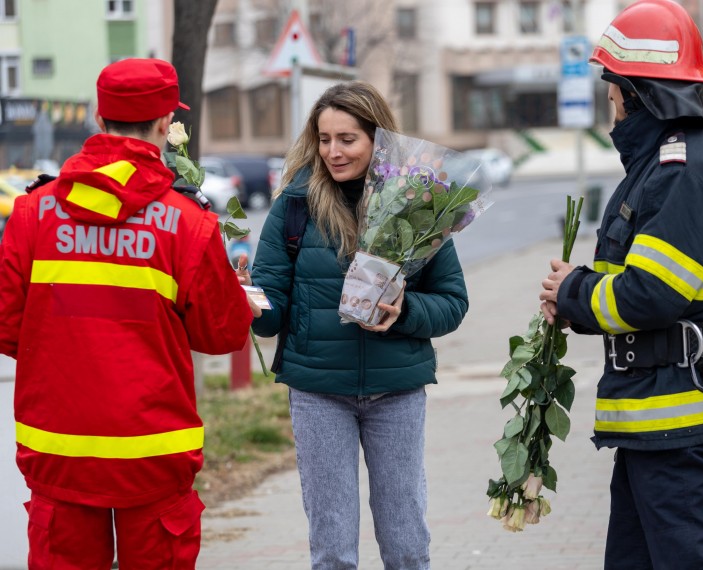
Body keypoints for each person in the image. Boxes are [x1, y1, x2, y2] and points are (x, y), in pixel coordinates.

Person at [0, 58, 257, 568]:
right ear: (165, 124)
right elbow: (223, 333)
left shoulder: (32, 213)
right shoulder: (187, 222)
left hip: (59, 452)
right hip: (153, 454)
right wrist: (233, 292)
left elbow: (10, 329)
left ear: (99, 120)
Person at [539, 1, 703, 568]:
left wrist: (572, 293)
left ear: (640, 95)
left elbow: (650, 294)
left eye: (613, 98)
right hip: (655, 421)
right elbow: (633, 285)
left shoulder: (682, 173)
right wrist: (578, 301)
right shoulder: (663, 166)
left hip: (678, 425)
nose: (611, 114)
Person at [239, 81, 468, 569]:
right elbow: (271, 315)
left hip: (396, 392)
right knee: (333, 549)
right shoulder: (294, 206)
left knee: (407, 543)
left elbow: (452, 303)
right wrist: (250, 301)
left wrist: (403, 313)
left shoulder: (417, 203)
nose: (333, 152)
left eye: (347, 139)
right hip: (318, 392)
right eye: (324, 139)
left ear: (377, 139)